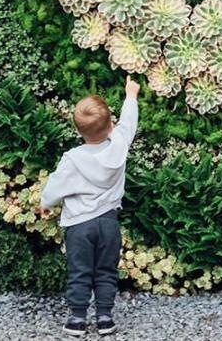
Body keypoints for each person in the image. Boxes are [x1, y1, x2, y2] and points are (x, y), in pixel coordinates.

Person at [39, 76, 141, 337]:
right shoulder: (119, 145)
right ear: (111, 125)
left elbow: (55, 185)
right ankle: (105, 318)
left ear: (77, 130)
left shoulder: (73, 159)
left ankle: (77, 319)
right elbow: (129, 123)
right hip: (108, 222)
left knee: (80, 271)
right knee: (106, 270)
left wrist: (46, 204)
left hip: (78, 225)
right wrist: (131, 95)